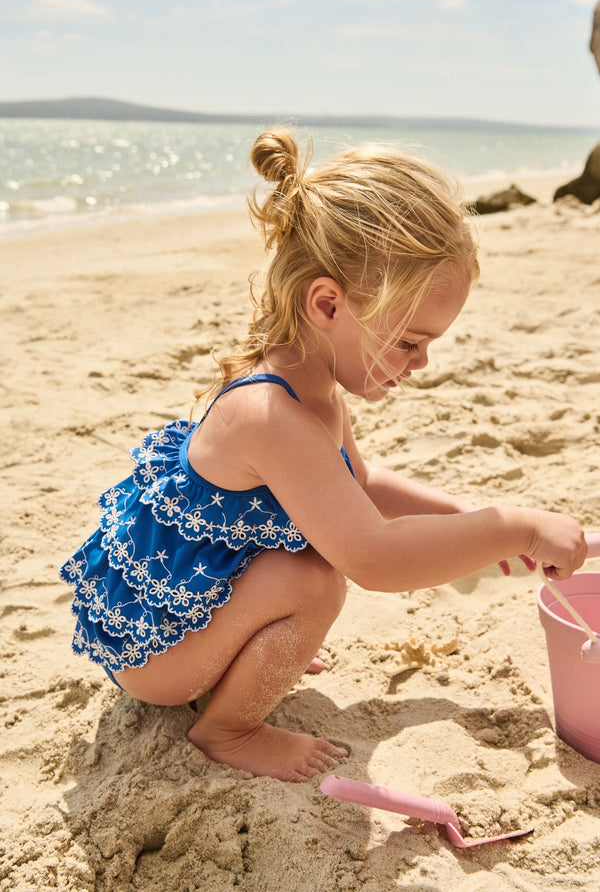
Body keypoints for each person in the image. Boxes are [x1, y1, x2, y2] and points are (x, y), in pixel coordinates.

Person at [60, 128, 587, 783]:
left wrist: (466, 517)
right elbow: (375, 559)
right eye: (408, 342)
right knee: (314, 579)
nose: (422, 363)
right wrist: (511, 525)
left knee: (305, 569)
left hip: (180, 616)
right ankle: (228, 728)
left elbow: (359, 485)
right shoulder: (273, 416)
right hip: (155, 659)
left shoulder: (308, 384)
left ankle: (243, 645)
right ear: (328, 303)